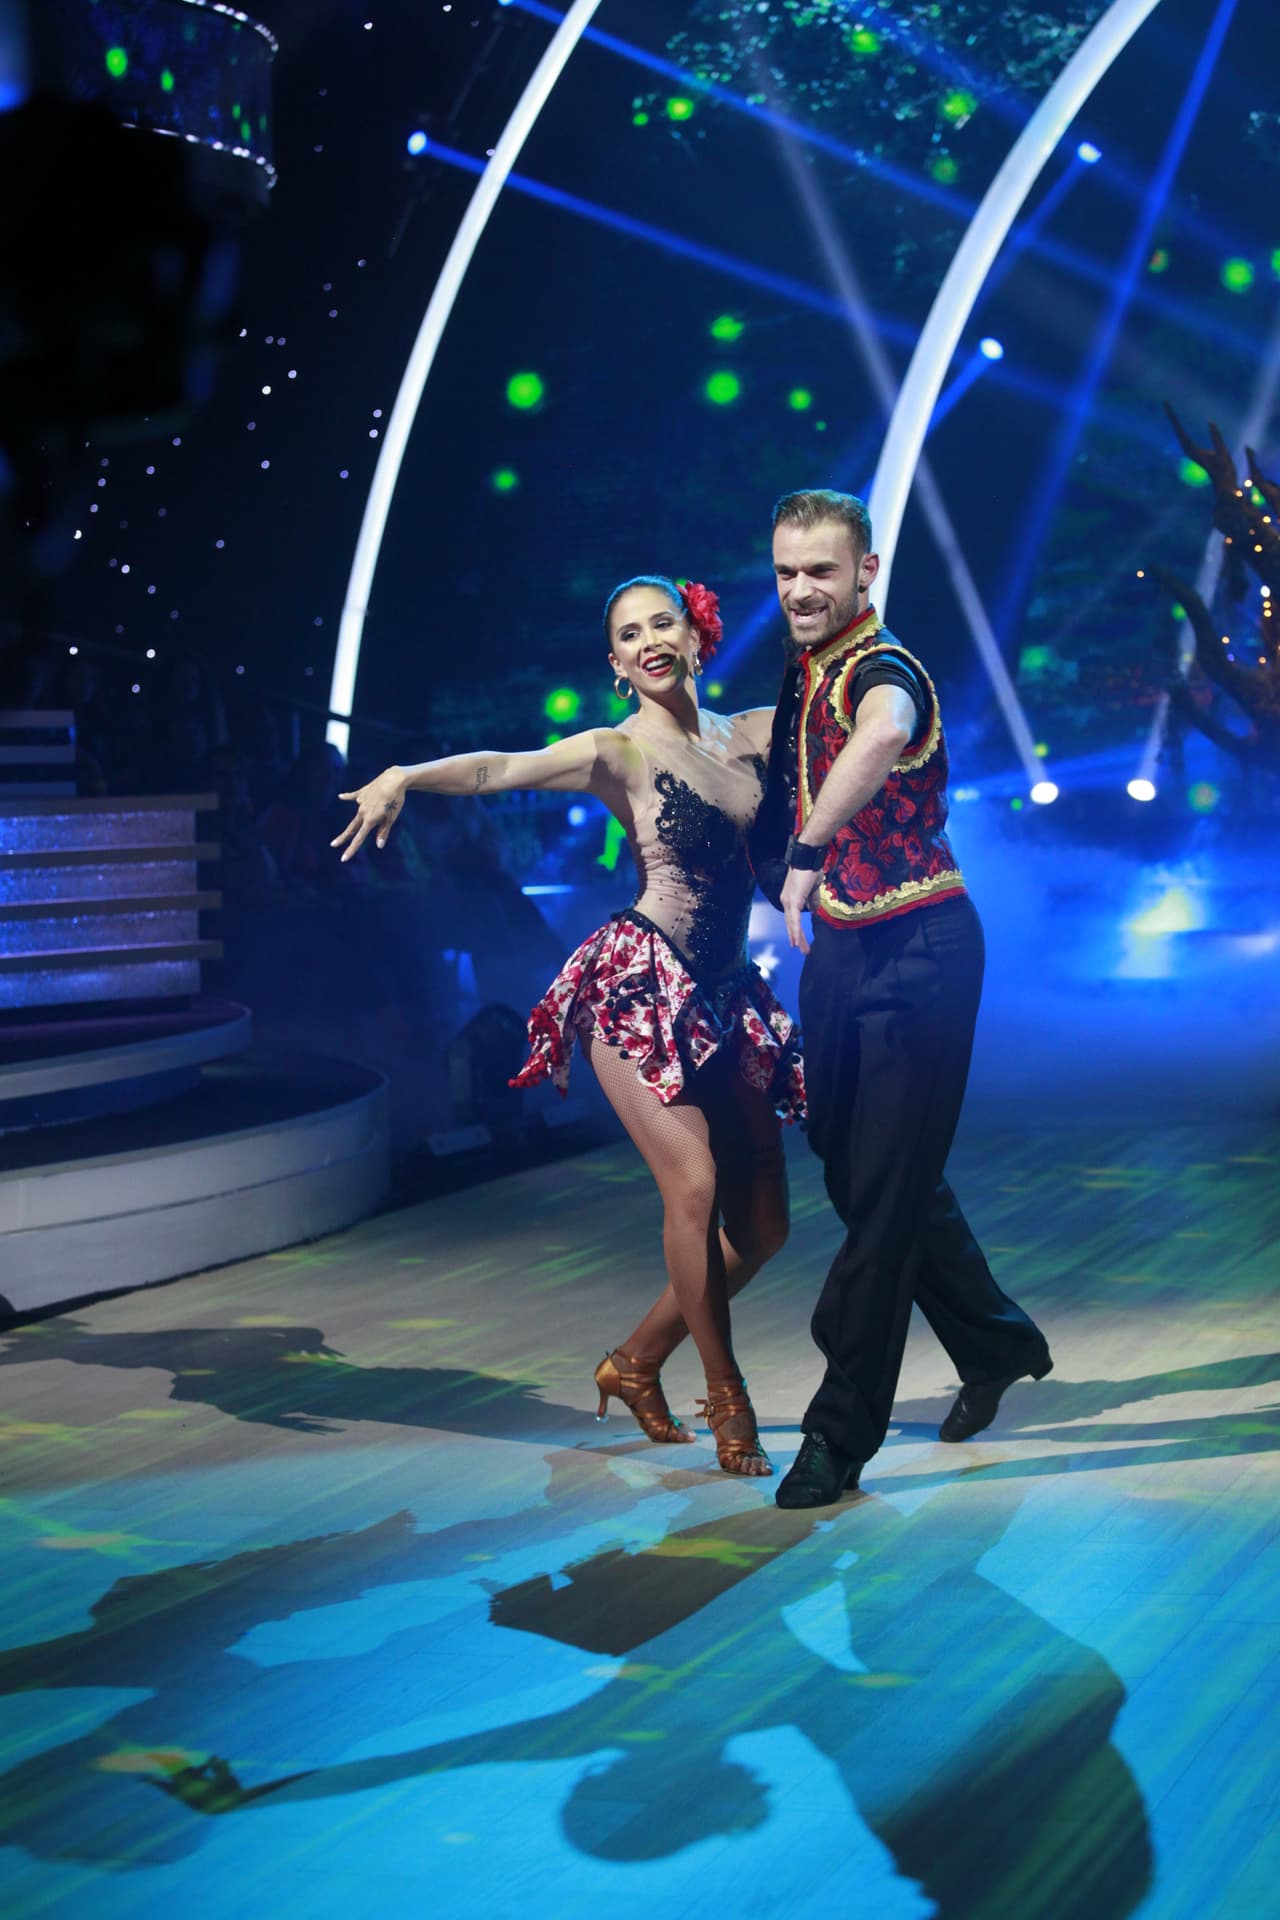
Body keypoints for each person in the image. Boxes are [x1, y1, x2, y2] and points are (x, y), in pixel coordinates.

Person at [333, 575, 804, 1477]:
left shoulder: (748, 735)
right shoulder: (616, 750)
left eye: (663, 622)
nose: (649, 641)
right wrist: (403, 775)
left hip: (729, 996)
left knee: (768, 1228)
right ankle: (728, 1395)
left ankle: (633, 1364)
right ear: (619, 665)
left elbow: (837, 712)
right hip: (639, 984)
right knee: (695, 1186)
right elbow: (495, 769)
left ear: (697, 634)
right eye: (630, 635)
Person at [749, 489, 1052, 1509]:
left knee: (879, 1203)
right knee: (853, 1167)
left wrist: (802, 853)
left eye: (819, 571)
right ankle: (994, 1338)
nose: (799, 589)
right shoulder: (805, 675)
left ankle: (837, 1439)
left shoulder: (881, 670)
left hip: (919, 948)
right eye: (786, 571)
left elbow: (878, 738)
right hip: (839, 950)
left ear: (864, 573)